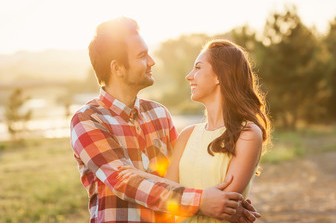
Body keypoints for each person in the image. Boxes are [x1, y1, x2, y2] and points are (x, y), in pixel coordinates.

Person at [70, 17, 260, 223]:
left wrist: (227, 204)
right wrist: (202, 202)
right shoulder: (88, 119)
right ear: (117, 68)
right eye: (142, 56)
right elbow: (122, 179)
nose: (152, 61)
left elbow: (179, 176)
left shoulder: (159, 114)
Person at [119, 39, 271, 222]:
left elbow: (222, 204)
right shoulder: (187, 135)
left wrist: (190, 201)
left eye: (198, 68)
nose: (189, 76)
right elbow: (168, 195)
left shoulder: (247, 134)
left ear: (219, 76)